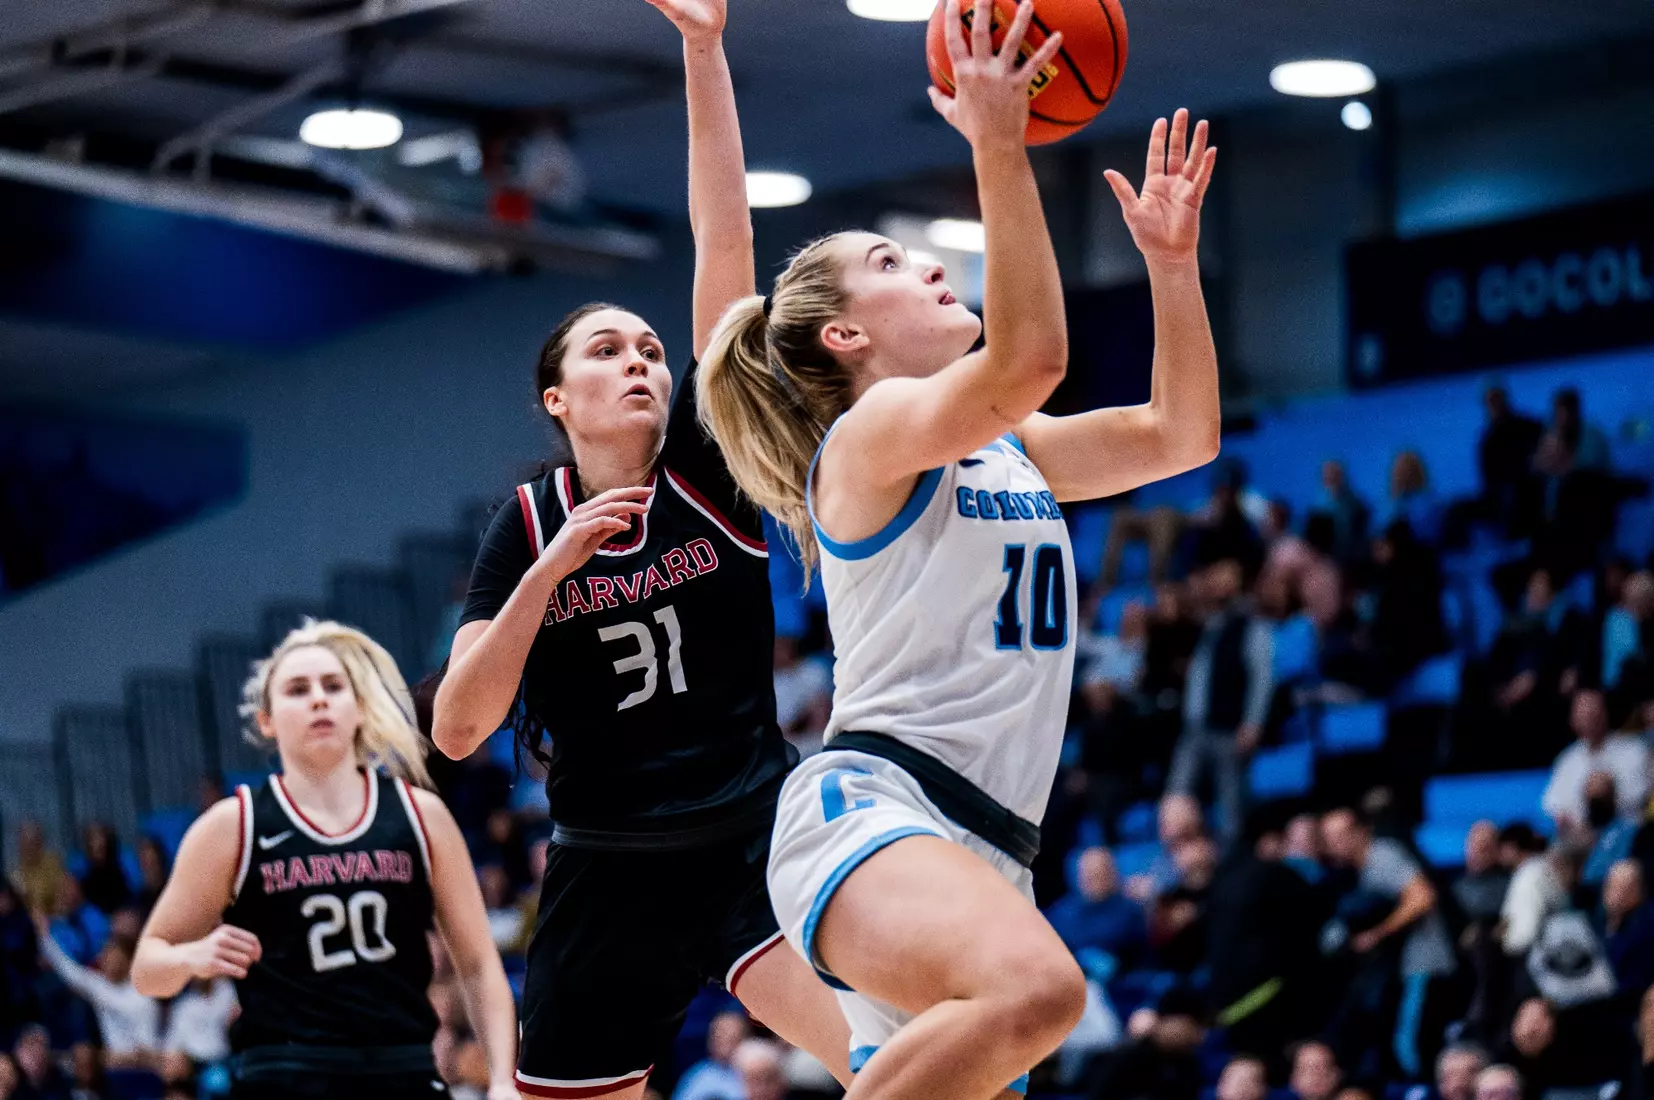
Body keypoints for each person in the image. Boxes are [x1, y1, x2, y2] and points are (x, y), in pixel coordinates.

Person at [696, 2, 1222, 1090]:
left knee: (1019, 1006)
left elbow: (1181, 435)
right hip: (878, 807)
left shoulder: (1009, 448)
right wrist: (997, 142)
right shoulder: (868, 435)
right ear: (846, 335)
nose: (932, 266)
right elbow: (1030, 356)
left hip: (991, 848)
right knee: (1043, 990)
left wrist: (1171, 266)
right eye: (893, 260)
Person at [429, 2, 854, 1096]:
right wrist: (550, 573)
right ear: (555, 397)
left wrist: (702, 49)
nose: (643, 363)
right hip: (605, 864)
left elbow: (727, 247)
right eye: (609, 350)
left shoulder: (710, 465)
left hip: (749, 833)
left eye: (654, 349)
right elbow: (460, 727)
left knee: (901, 1054)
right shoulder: (525, 527)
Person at [131, 621, 519, 1100]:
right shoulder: (232, 827)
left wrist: (502, 1080)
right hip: (284, 1074)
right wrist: (191, 956)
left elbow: (478, 964)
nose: (318, 699)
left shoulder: (422, 816)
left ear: (358, 709)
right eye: (298, 689)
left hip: (402, 1071)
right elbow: (147, 967)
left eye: (334, 687)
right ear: (267, 721)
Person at [1321, 807, 1458, 1077]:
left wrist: (1377, 934)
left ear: (1361, 831)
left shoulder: (1382, 855)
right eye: (1328, 837)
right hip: (1402, 970)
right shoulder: (1357, 871)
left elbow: (1422, 896)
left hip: (1425, 964)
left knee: (1409, 1047)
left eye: (1339, 835)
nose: (1333, 844)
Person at [1172, 557, 1275, 844]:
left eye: (1225, 578)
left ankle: (1228, 862)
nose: (1218, 584)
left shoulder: (1252, 627)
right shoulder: (1210, 625)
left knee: (1230, 809)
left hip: (1229, 730)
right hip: (1195, 729)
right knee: (1177, 797)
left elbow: (1262, 678)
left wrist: (1253, 723)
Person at [1542, 687, 1649, 830]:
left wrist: (1607, 795)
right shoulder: (1568, 759)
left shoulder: (1633, 749)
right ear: (1573, 721)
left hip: (1626, 830)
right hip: (1578, 835)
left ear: (1605, 713)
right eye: (1583, 715)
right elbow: (1552, 803)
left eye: (1593, 713)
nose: (1589, 720)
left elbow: (1639, 795)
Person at [671, 1012, 749, 1100]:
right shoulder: (697, 1076)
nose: (724, 1044)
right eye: (719, 1037)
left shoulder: (755, 1073)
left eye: (731, 1038)